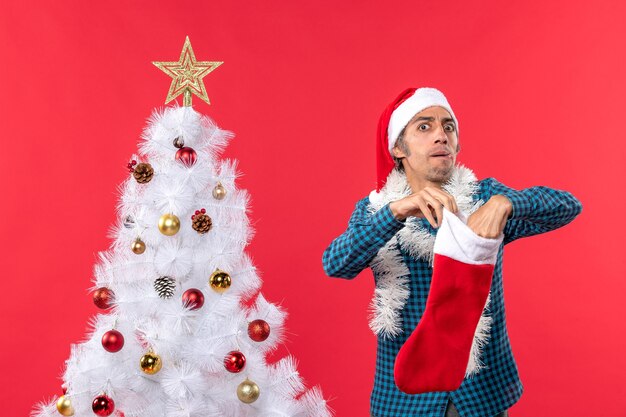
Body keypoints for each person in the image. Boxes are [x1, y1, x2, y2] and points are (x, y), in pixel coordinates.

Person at [321, 87, 583, 417]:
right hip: (403, 399)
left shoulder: (483, 196)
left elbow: (568, 206)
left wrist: (507, 202)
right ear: (398, 148)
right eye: (424, 127)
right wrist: (396, 212)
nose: (441, 136)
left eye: (448, 127)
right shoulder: (376, 210)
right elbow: (336, 263)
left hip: (481, 393)